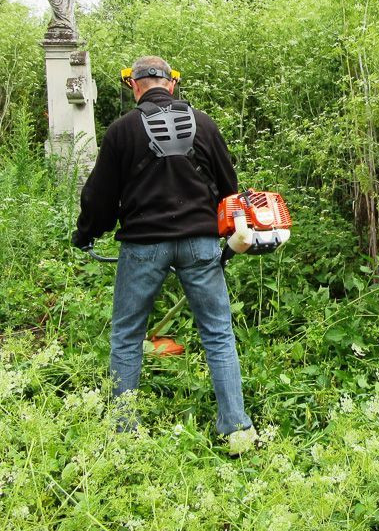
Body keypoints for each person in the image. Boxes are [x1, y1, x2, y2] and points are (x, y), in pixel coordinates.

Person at [72, 56, 256, 453]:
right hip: (200, 243)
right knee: (218, 334)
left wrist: (86, 234)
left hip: (143, 244)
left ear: (134, 86)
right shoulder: (204, 124)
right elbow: (230, 188)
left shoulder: (122, 130)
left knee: (127, 335)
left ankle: (123, 433)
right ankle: (237, 431)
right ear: (171, 84)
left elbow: (99, 197)